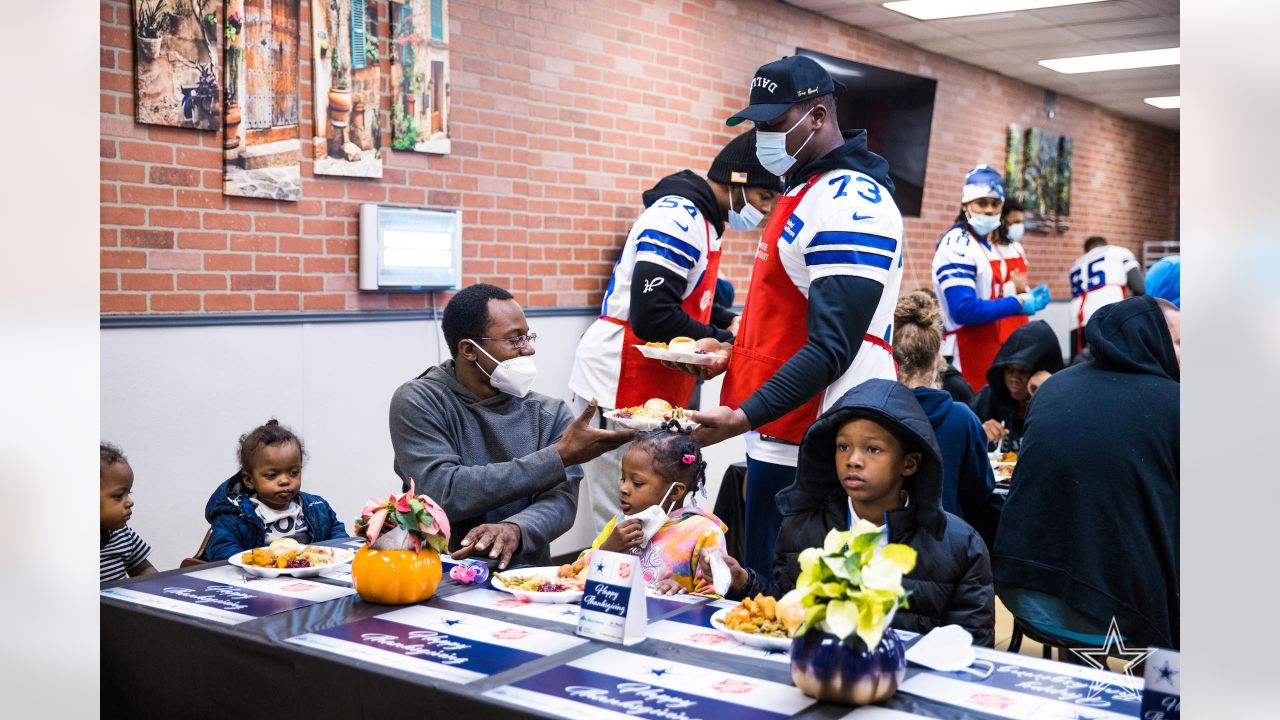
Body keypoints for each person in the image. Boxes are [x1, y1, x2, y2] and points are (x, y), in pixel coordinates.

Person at [685, 56, 906, 581]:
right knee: (764, 583)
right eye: (757, 124)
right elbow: (787, 317)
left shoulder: (854, 201)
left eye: (774, 123)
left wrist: (743, 414)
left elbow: (834, 345)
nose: (763, 136)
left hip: (819, 429)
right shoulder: (805, 190)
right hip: (778, 428)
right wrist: (732, 355)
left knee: (799, 596)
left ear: (817, 117)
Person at [568, 132, 781, 533]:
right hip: (619, 376)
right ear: (736, 181)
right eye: (763, 196)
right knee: (623, 510)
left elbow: (685, 299)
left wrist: (723, 323)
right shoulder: (677, 218)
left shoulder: (704, 223)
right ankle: (611, 589)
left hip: (655, 380)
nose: (766, 210)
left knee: (657, 511)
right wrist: (718, 334)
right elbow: (652, 315)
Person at [716, 379, 996, 646]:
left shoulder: (961, 546)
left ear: (909, 464)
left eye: (873, 449)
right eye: (843, 446)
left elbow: (969, 646)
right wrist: (744, 582)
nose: (853, 460)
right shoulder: (803, 527)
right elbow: (788, 608)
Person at [390, 283, 633, 569]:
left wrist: (516, 528)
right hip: (435, 570)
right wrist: (557, 457)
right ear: (469, 349)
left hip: (524, 577)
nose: (528, 349)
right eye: (515, 339)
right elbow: (443, 491)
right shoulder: (420, 400)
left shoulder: (549, 412)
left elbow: (561, 501)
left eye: (528, 336)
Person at [993, 296, 1179, 649]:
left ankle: (1080, 680)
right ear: (1151, 339)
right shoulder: (1176, 404)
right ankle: (1158, 700)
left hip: (1019, 586)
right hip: (1111, 611)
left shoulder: (1053, 387)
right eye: (1182, 343)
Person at [893, 291, 1002, 548]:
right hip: (946, 547)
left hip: (883, 547)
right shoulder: (961, 418)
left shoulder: (875, 410)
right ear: (937, 358)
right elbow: (980, 494)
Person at [565, 429, 728, 596]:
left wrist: (681, 594)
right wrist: (608, 548)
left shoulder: (703, 533)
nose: (623, 488)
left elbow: (716, 596)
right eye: (623, 479)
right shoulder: (621, 522)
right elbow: (573, 574)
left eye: (637, 483)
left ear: (675, 491)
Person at [933, 166, 1050, 392]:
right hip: (963, 351)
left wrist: (1019, 295)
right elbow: (963, 309)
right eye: (981, 202)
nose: (988, 210)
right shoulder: (958, 244)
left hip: (989, 344)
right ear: (965, 205)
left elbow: (984, 295)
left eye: (994, 204)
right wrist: (1019, 303)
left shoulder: (984, 245)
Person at [202, 419, 348, 562]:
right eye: (272, 475)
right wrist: (253, 563)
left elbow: (337, 535)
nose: (285, 480)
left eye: (293, 473)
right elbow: (221, 549)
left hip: (309, 578)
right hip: (259, 581)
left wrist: (333, 556)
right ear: (249, 480)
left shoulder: (316, 507)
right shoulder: (235, 515)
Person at [968, 320, 1064, 452]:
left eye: (1022, 371)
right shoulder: (989, 398)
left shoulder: (1064, 402)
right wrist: (978, 432)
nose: (1013, 378)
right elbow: (958, 443)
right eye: (1008, 369)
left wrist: (1053, 390)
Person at [1067, 235, 1144, 357]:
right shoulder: (1119, 252)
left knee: (1079, 367)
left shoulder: (1076, 264)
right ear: (1105, 244)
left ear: (1086, 251)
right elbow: (1139, 287)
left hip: (1077, 322)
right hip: (1107, 313)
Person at [100, 442, 157, 582]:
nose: (130, 502)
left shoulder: (123, 533)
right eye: (119, 496)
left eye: (128, 493)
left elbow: (142, 569)